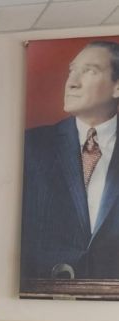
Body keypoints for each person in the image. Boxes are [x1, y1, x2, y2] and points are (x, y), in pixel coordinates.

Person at [22, 41, 119, 283]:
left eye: (89, 71)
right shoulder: (33, 146)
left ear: (117, 87)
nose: (72, 82)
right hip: (45, 290)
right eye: (72, 71)